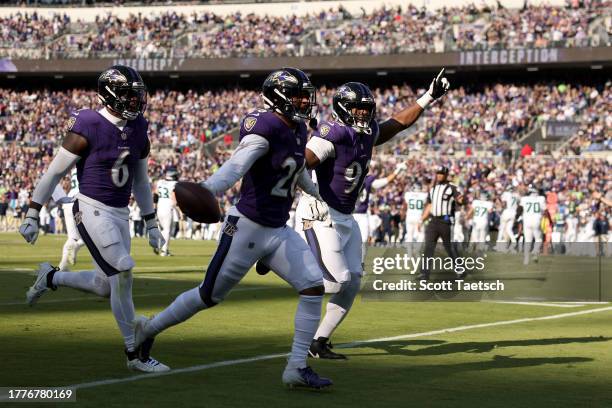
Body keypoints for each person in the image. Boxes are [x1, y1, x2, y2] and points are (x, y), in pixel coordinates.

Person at [133, 68, 333, 389]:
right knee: (208, 296)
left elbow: (295, 169)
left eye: (304, 95)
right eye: (297, 95)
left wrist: (315, 193)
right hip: (247, 228)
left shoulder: (296, 127)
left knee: (312, 285)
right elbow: (237, 165)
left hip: (278, 229)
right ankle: (148, 329)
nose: (303, 102)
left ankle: (296, 367)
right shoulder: (264, 125)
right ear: (279, 96)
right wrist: (209, 188)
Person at [281, 70, 450, 359]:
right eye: (358, 108)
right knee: (335, 281)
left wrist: (429, 97)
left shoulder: (368, 131)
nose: (363, 114)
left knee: (353, 281)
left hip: (346, 216)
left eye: (366, 109)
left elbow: (397, 123)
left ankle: (319, 342)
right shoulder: (331, 132)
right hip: (320, 211)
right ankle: (278, 255)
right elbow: (298, 164)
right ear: (344, 108)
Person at [19, 65, 168, 373]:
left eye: (137, 95)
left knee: (105, 285)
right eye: (128, 95)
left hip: (120, 213)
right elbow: (54, 171)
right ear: (111, 95)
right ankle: (134, 352)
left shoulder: (138, 126)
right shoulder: (88, 123)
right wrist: (33, 211)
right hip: (90, 208)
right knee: (124, 271)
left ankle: (50, 277)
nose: (134, 102)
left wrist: (151, 222)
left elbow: (140, 180)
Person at [419, 165, 464, 280]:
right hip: (433, 221)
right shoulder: (433, 189)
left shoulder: (452, 187)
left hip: (445, 221)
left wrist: (460, 200)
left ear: (446, 175)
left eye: (441, 174)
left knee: (449, 247)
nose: (439, 175)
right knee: (428, 246)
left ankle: (460, 269)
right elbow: (429, 205)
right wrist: (422, 219)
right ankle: (424, 273)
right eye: (438, 173)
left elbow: (460, 200)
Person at [52, 168, 85, 271]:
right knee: (91, 234)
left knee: (72, 237)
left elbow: (65, 185)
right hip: (80, 205)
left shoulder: (73, 169)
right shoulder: (87, 165)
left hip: (68, 204)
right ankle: (76, 246)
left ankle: (62, 266)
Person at [519, 185, 546, 265]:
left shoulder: (524, 199)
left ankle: (526, 259)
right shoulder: (541, 199)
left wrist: (517, 219)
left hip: (526, 221)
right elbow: (545, 211)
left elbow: (520, 209)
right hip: (536, 220)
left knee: (527, 240)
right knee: (538, 239)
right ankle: (535, 252)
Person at [155, 168, 178, 256]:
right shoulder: (174, 184)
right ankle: (164, 250)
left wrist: (154, 207)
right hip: (168, 207)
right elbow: (174, 197)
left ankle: (161, 246)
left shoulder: (160, 182)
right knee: (167, 230)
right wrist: (179, 210)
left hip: (160, 206)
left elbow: (155, 195)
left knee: (163, 229)